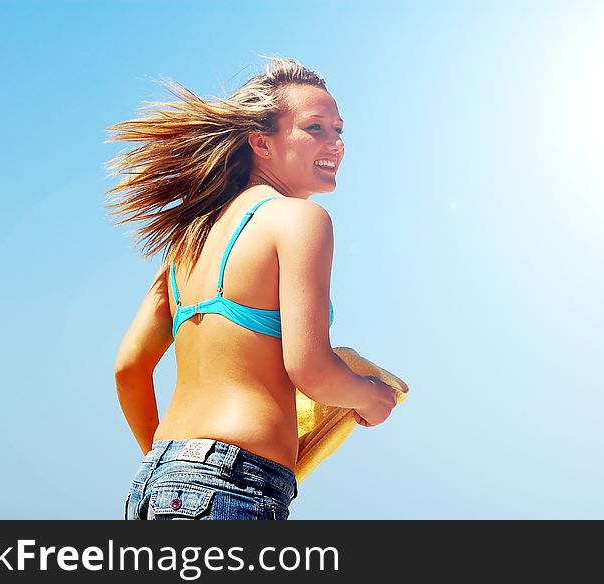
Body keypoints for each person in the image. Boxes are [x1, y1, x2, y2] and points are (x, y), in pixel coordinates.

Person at [105, 57, 399, 520]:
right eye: (315, 128)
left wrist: (176, 466)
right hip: (234, 485)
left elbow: (129, 369)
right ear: (261, 142)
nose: (335, 143)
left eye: (339, 130)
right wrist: (371, 396)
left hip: (155, 483)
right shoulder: (300, 220)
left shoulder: (189, 239)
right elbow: (310, 369)